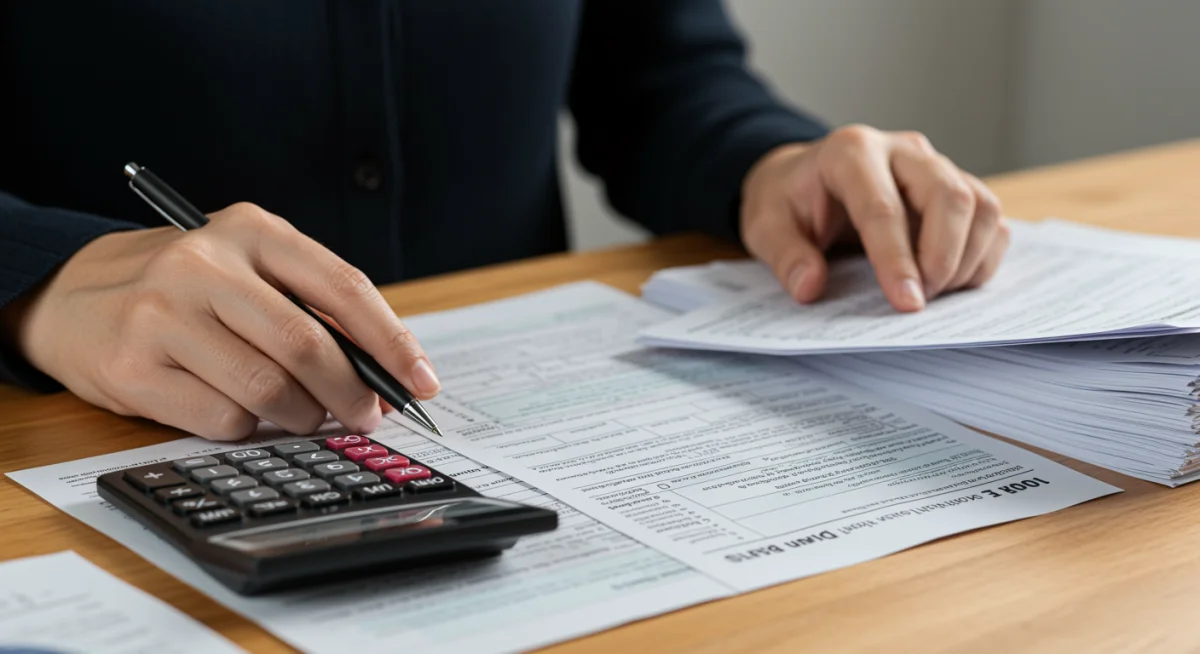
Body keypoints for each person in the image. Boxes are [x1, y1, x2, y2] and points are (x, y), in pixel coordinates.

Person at [0, 2, 1007, 441]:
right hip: (82, 448)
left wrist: (774, 165)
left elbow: (660, 73)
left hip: (521, 437)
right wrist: (40, 277)